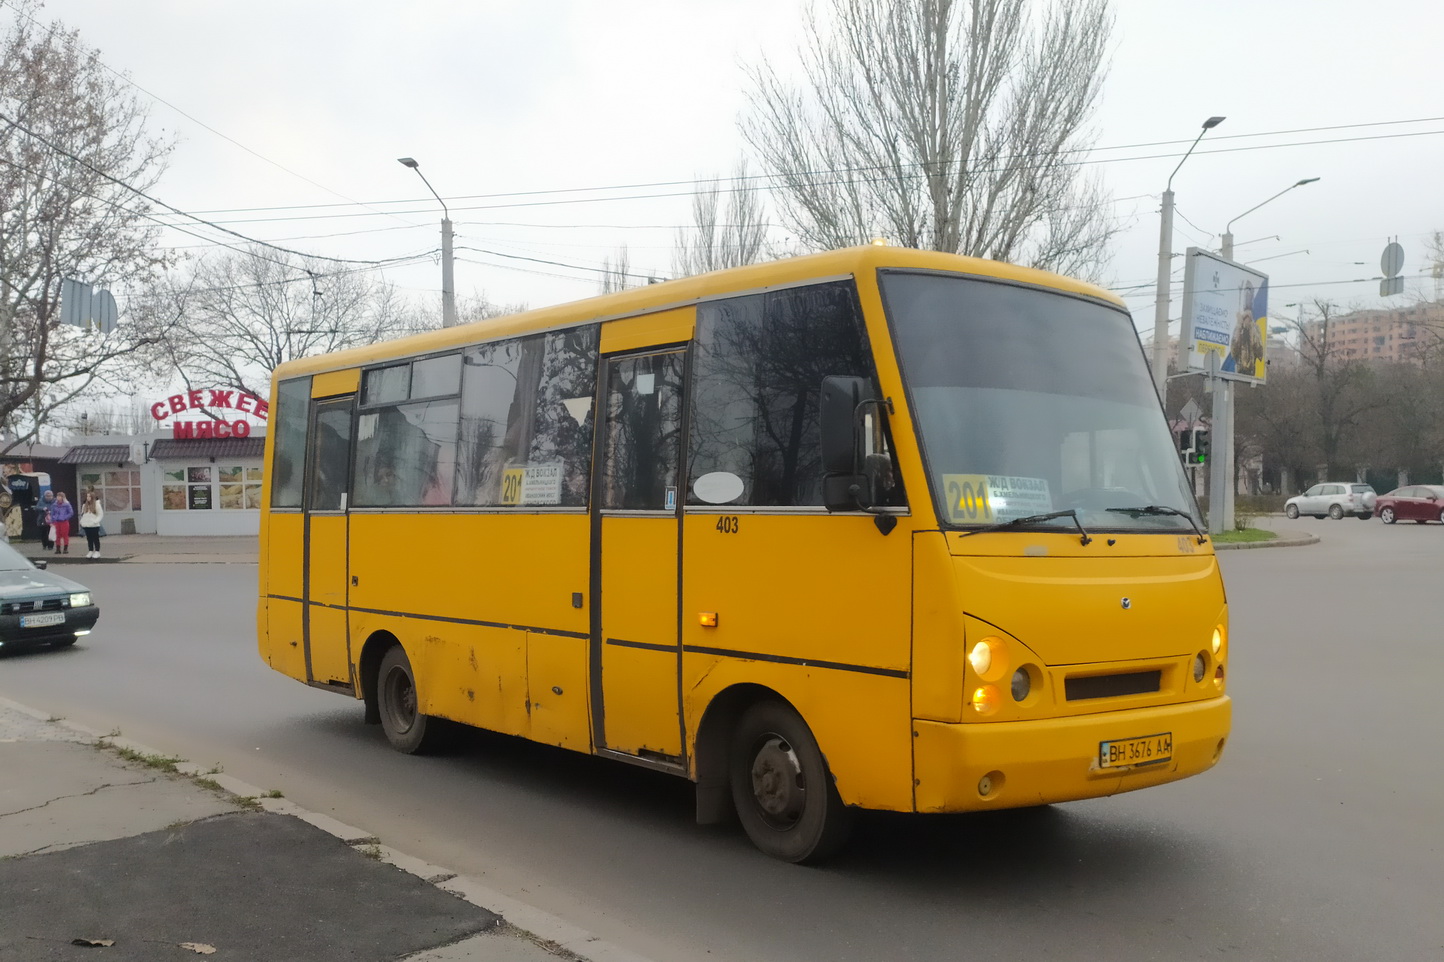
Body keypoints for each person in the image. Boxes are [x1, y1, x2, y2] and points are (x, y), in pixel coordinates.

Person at [79, 491, 104, 559]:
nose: (88, 498)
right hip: (87, 525)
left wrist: (95, 521)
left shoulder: (97, 505)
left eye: (89, 496)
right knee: (89, 539)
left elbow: (100, 514)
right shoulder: (85, 505)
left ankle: (97, 551)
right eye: (87, 496)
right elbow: (83, 514)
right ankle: (90, 550)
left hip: (94, 525)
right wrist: (82, 522)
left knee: (95, 538)